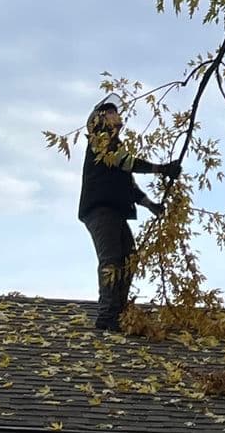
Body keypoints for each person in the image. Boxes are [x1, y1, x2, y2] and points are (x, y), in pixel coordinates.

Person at [78, 98, 181, 332]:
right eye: (110, 112)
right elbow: (127, 163)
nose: (117, 115)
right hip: (100, 209)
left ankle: (118, 312)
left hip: (113, 211)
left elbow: (127, 184)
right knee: (112, 259)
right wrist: (161, 169)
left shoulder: (114, 146)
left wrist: (150, 205)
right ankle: (108, 315)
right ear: (99, 119)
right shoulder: (100, 140)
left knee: (128, 259)